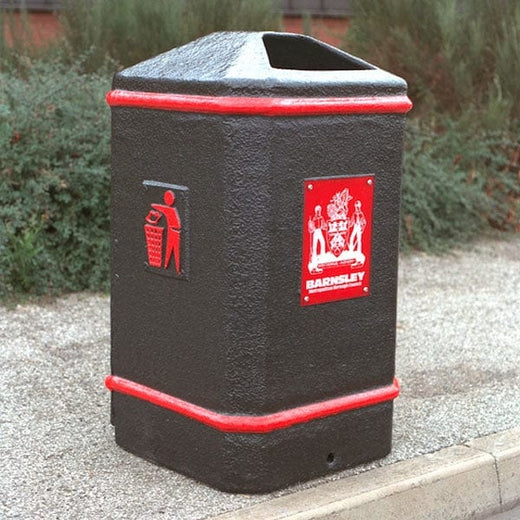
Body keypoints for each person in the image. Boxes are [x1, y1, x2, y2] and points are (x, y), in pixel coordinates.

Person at [152, 190, 181, 274]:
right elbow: (158, 207)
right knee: (171, 250)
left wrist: (154, 206)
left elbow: (158, 207)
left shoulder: (169, 210)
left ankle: (173, 267)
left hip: (175, 232)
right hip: (173, 231)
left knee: (173, 250)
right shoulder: (170, 210)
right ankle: (170, 267)